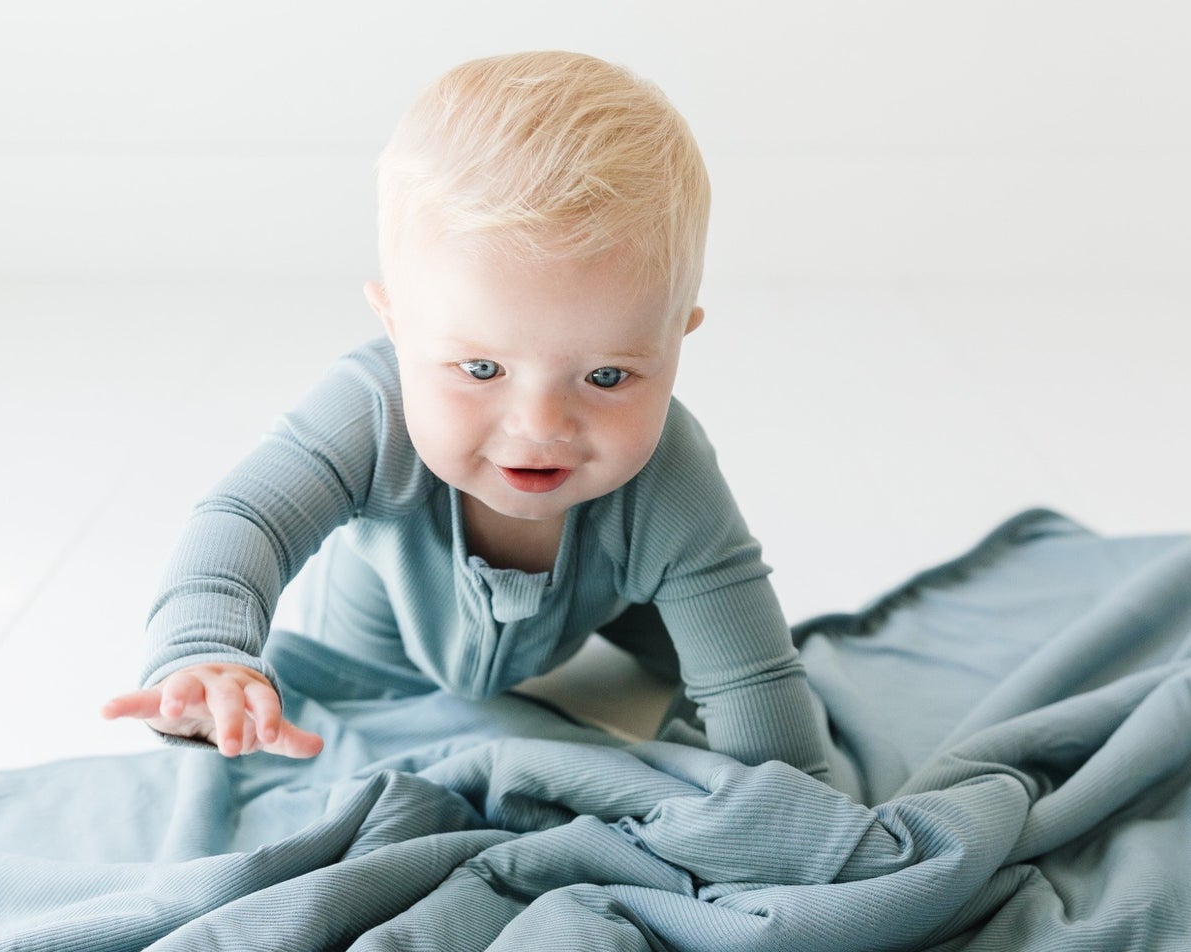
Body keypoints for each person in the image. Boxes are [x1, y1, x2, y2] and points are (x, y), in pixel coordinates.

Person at [102, 49, 828, 777]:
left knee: (723, 631)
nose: (541, 424)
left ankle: (659, 625)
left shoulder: (667, 470)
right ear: (395, 323)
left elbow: (757, 691)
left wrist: (794, 811)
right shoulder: (373, 412)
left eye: (607, 375)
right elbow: (245, 518)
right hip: (372, 670)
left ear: (675, 340)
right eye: (481, 369)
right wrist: (205, 653)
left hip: (598, 599)